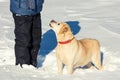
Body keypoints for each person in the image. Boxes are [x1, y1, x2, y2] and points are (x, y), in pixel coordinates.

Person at [10, 0, 44, 67]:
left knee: (36, 40)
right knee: (23, 40)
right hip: (21, 11)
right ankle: (23, 66)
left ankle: (33, 64)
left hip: (36, 10)